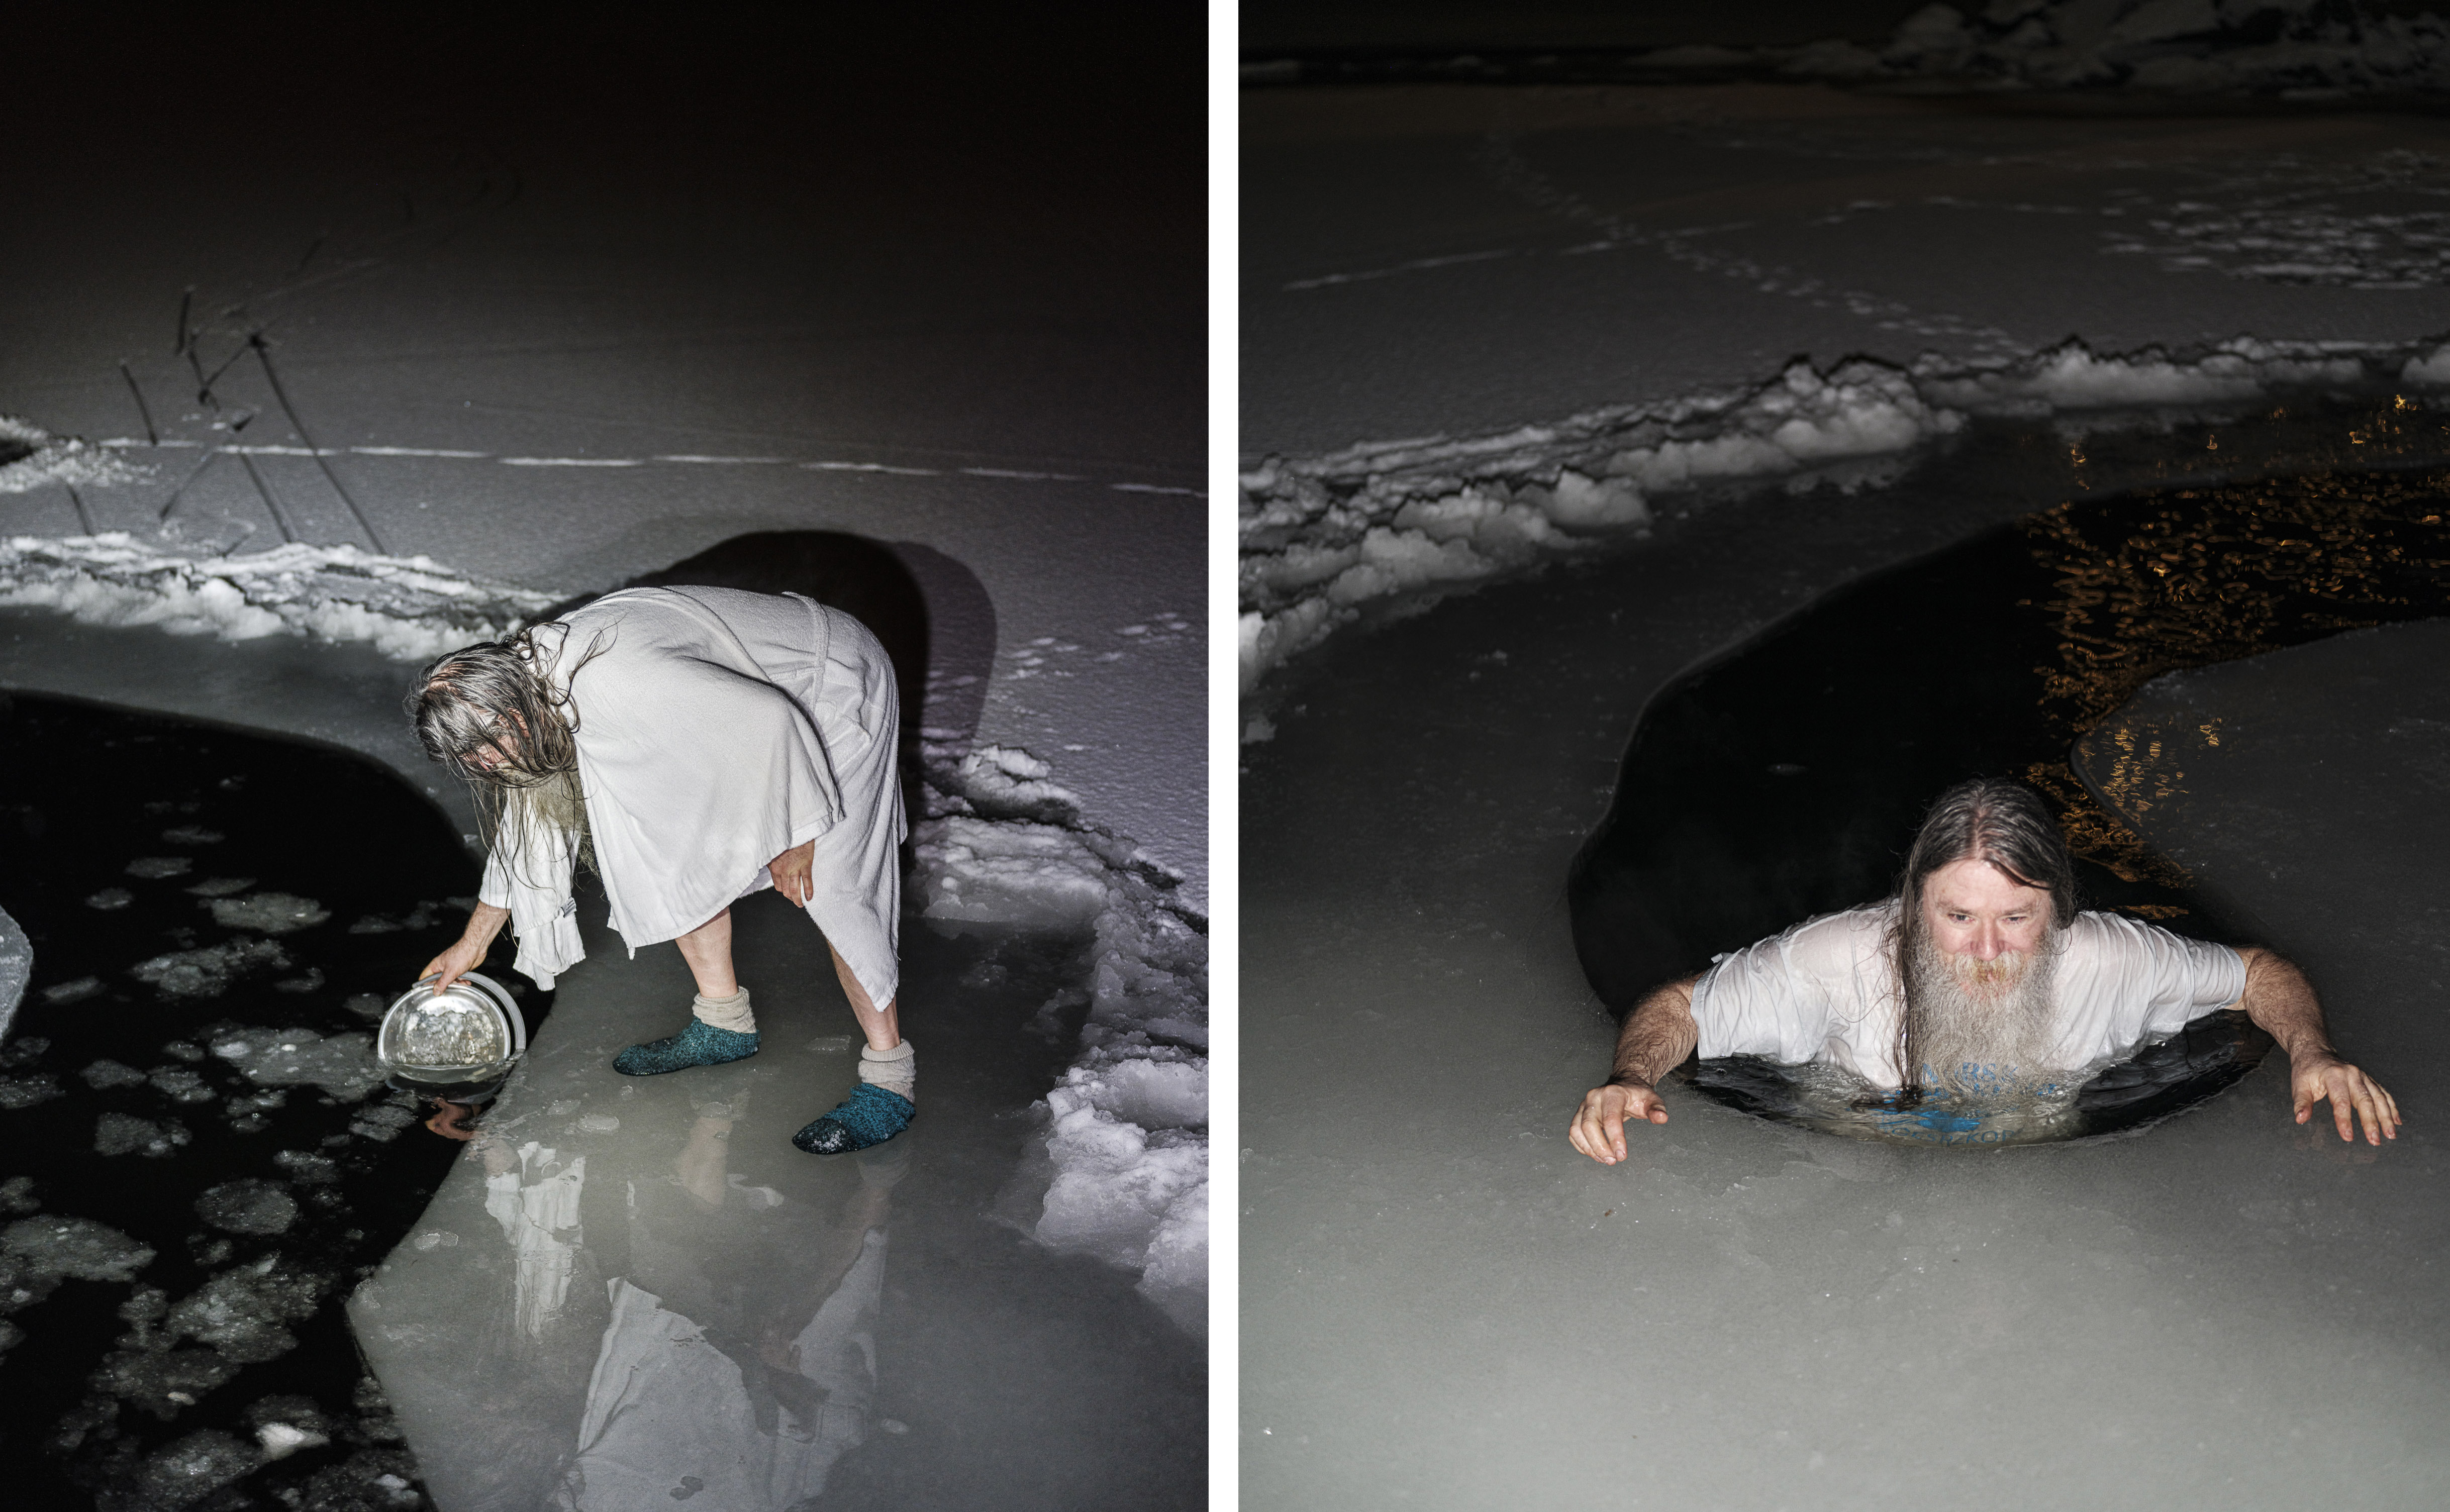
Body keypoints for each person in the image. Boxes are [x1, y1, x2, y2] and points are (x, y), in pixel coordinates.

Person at [1569, 777, 2402, 1165]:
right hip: (1853, 1154)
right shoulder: (1836, 957)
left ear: (2059, 910)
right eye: (1957, 917)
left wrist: (2312, 1050)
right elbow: (1683, 1005)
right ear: (1911, 903)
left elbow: (2259, 973)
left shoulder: (2112, 958)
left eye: (2016, 919)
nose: (1986, 950)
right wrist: (1628, 1072)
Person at [408, 584, 917, 1154]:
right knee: (666, 848)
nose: (488, 765)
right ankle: (723, 1024)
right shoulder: (533, 693)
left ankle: (889, 1078)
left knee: (837, 884)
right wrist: (472, 944)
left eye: (488, 749)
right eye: (474, 761)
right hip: (733, 708)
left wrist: (797, 834)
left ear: (510, 709)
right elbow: (530, 827)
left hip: (829, 686)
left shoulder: (620, 681)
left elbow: (772, 720)